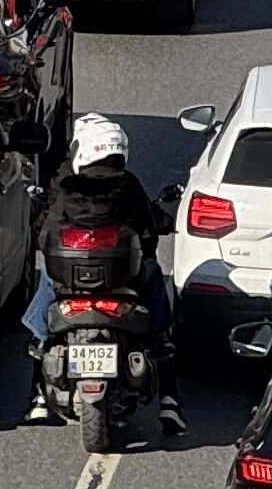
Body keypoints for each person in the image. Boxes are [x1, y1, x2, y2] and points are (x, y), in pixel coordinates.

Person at [24, 113, 182, 435]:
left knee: (44, 304)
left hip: (71, 284)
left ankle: (37, 395)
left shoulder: (68, 188)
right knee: (157, 299)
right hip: (124, 282)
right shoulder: (129, 185)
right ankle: (170, 400)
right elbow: (149, 227)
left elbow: (46, 234)